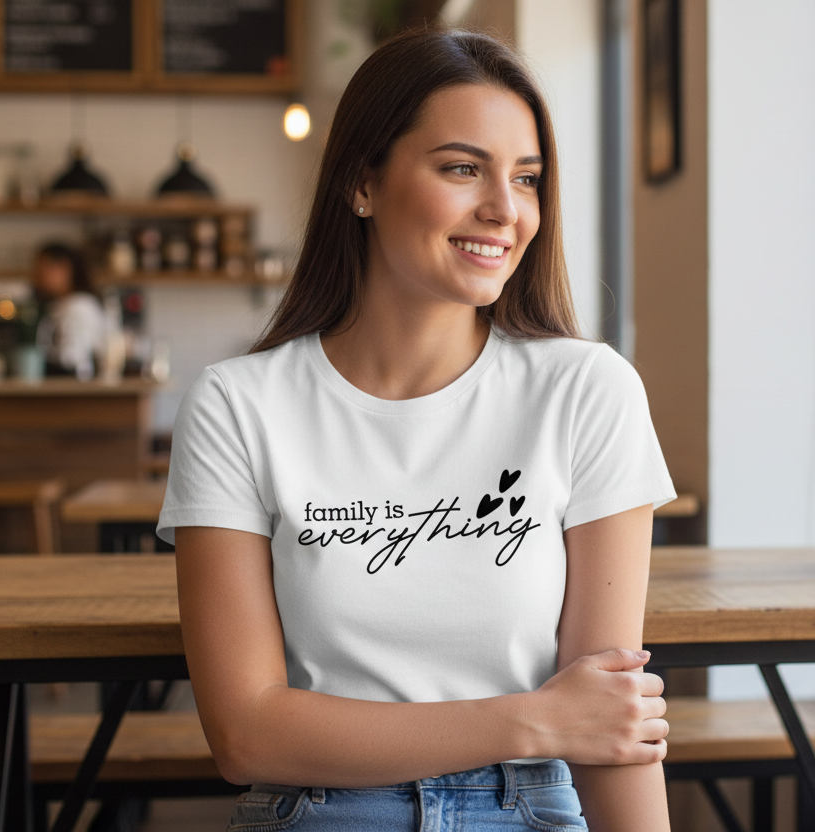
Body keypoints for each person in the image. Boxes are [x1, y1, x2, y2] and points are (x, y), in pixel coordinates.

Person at [157, 28, 676, 832]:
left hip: (529, 809)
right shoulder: (237, 405)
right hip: (319, 813)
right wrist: (533, 721)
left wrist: (565, 725)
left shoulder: (587, 390)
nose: (506, 210)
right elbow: (246, 733)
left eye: (528, 178)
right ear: (363, 182)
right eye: (463, 168)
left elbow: (608, 719)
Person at [33, 242, 106, 379]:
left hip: (76, 390)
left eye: (42, 268)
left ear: (64, 267)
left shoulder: (79, 306)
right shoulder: (60, 305)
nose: (38, 276)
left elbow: (71, 360)